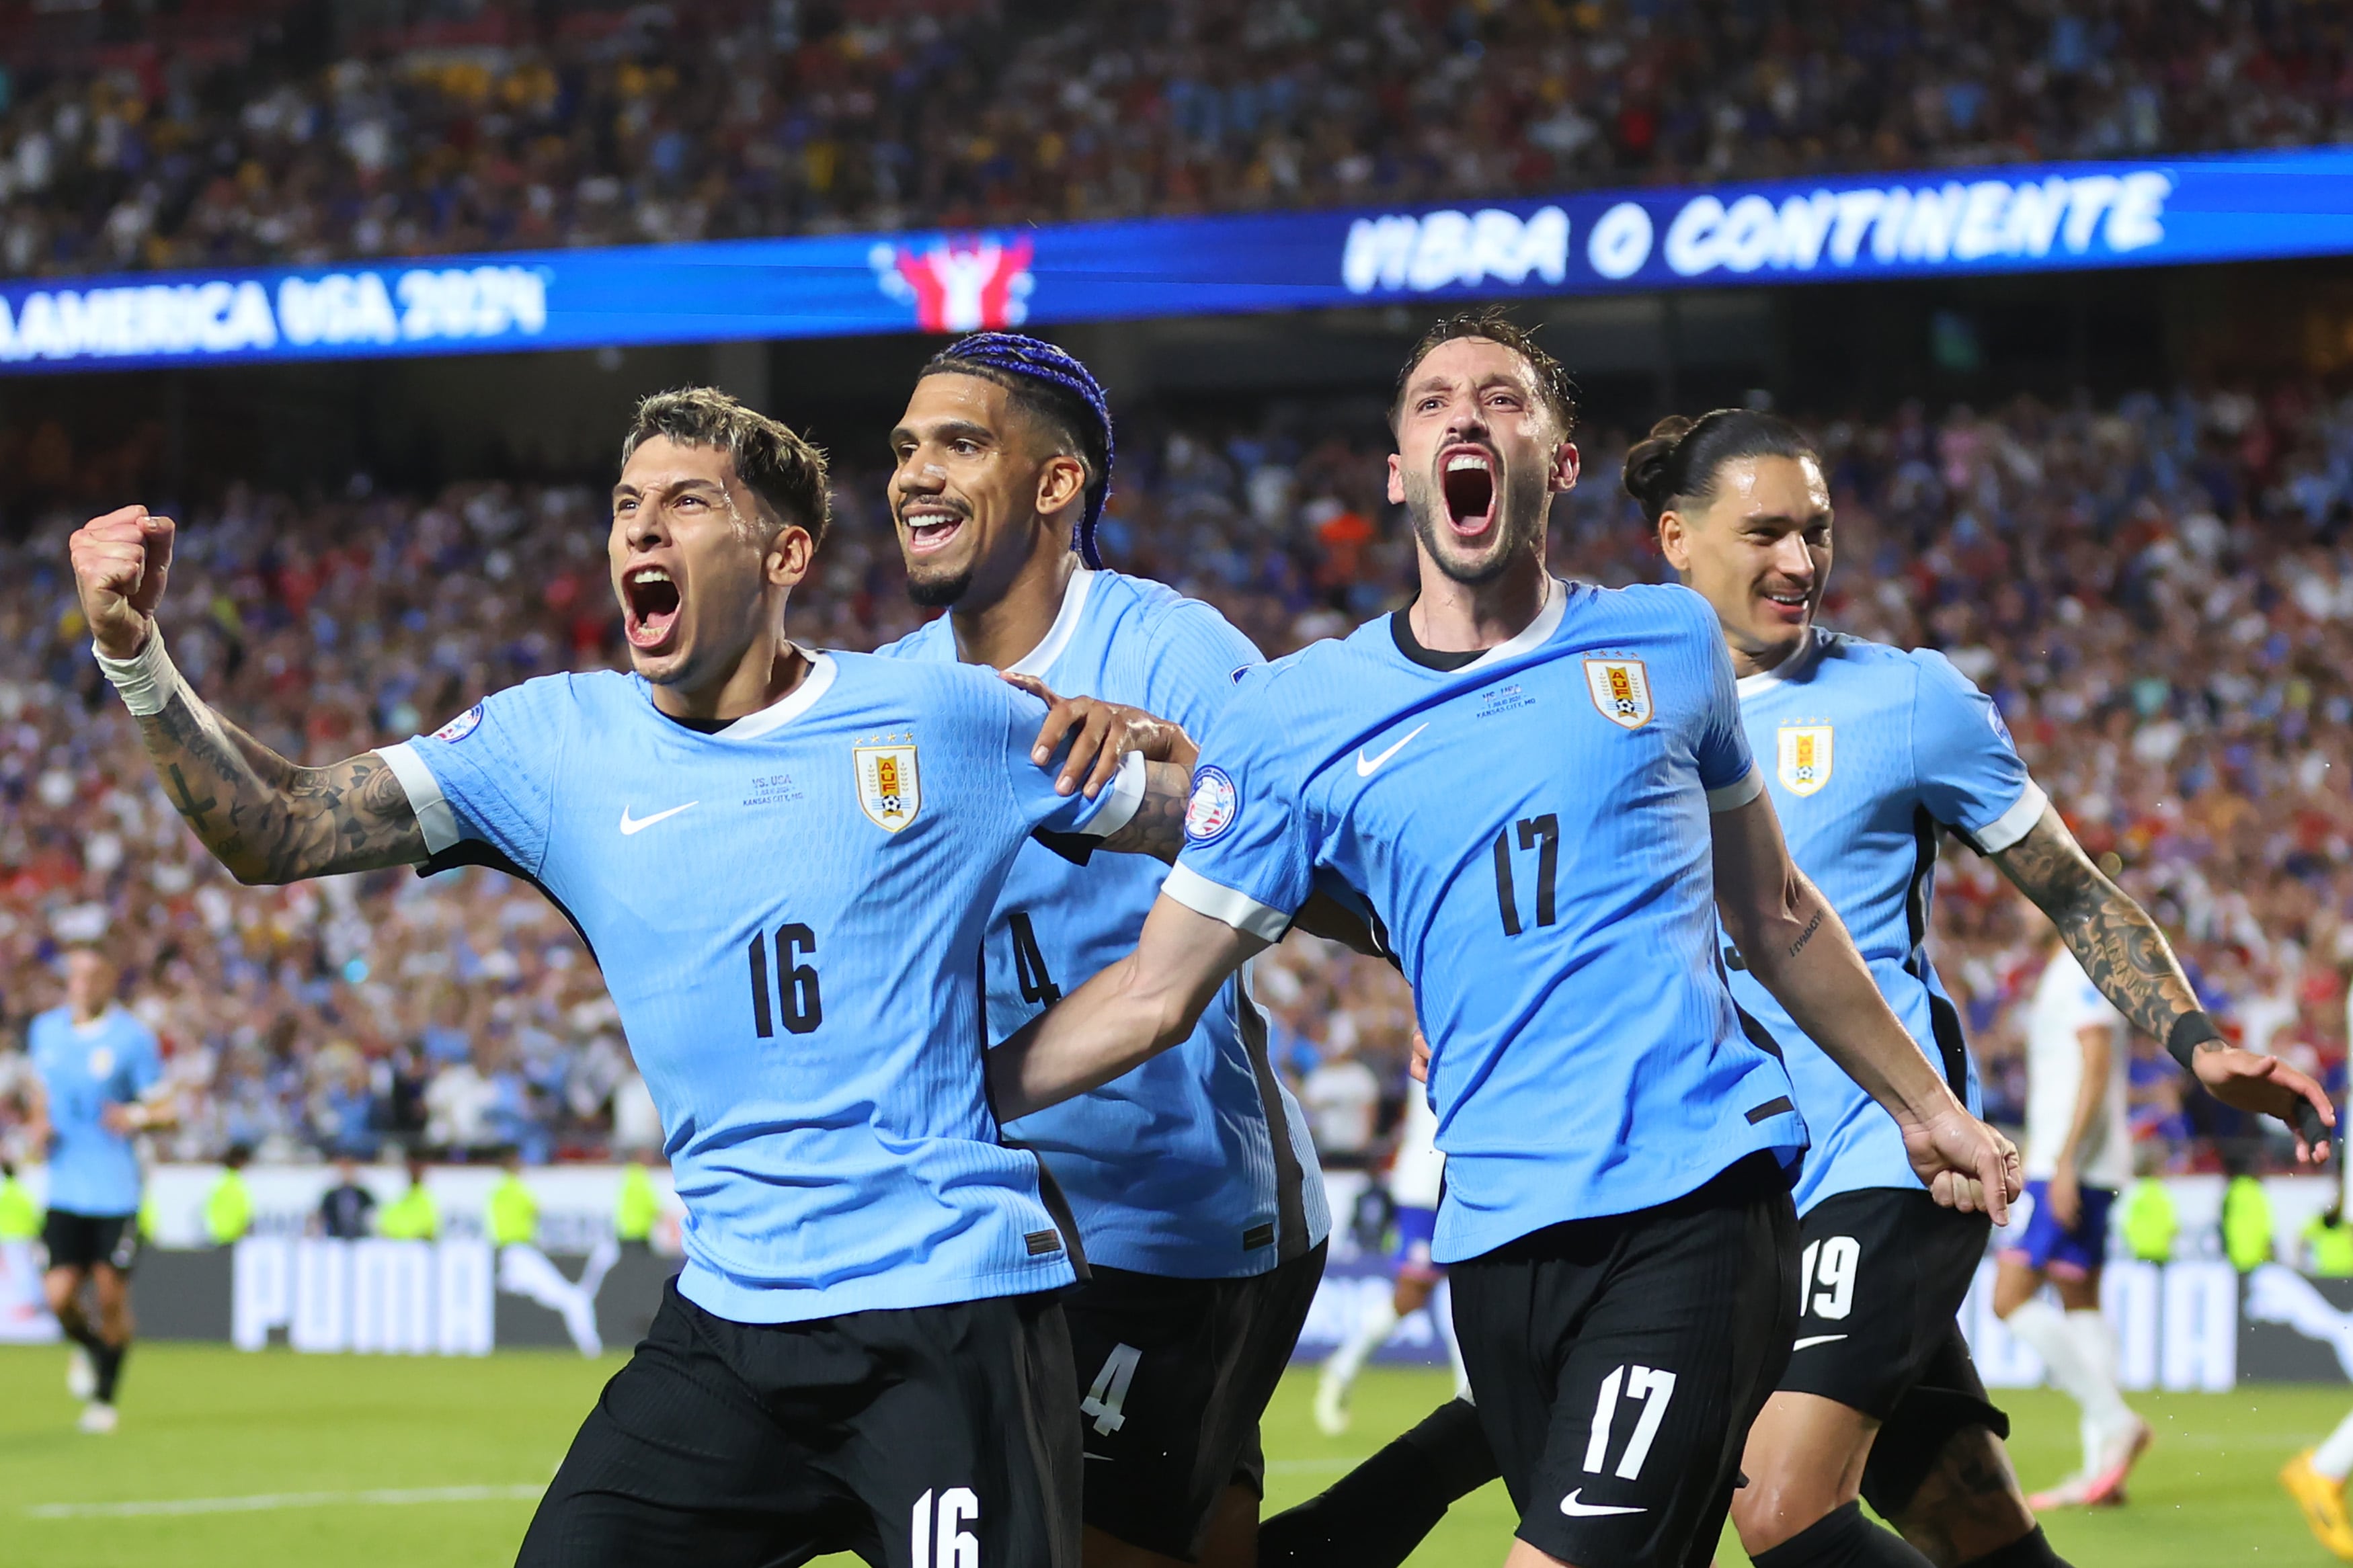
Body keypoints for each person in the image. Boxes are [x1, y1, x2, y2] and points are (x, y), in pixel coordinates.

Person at [68, 384, 1188, 1567]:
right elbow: (277, 828)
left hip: (949, 1313)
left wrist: (1162, 752)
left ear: (784, 551)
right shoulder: (550, 747)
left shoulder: (943, 716)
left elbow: (1215, 819)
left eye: (688, 503)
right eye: (626, 507)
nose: (641, 531)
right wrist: (134, 654)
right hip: (733, 1329)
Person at [985, 308, 2020, 1568]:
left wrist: (1927, 1104)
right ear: (1398, 471)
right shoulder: (1300, 714)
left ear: (1560, 460)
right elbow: (1154, 991)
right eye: (1432, 403)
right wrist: (949, 1094)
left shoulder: (1666, 640)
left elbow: (1778, 911)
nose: (1465, 416)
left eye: (1503, 398)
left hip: (1694, 1204)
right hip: (1495, 1243)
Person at [1640, 406, 2329, 1568]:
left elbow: (2074, 889)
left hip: (1893, 1149)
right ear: (1675, 538)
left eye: (1817, 531)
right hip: (1728, 1179)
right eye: (1766, 532)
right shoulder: (1621, 709)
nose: (1801, 562)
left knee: (1777, 1503)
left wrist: (2200, 1042)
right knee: (1974, 1528)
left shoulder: (1908, 700)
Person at [873, 331, 1329, 1568]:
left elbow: (1317, 856)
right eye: (906, 447)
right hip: (1004, 1215)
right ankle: (1448, 1456)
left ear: (1057, 482)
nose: (916, 471)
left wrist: (1177, 774)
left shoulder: (1170, 648)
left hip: (1178, 1214)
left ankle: (1453, 1456)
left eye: (960, 443)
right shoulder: (889, 689)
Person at [1991, 931, 2147, 1514]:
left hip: (2068, 1164)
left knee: (2008, 1299)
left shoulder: (2081, 968)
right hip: (2081, 1162)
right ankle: (2103, 1468)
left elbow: (2096, 1062)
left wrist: (2063, 1161)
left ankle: (2115, 1421)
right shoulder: (2071, 968)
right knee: (2080, 1300)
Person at [24, 944, 175, 1435]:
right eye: (77, 975)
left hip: (115, 1189)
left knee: (111, 1295)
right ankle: (89, 1348)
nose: (84, 984)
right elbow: (41, 1094)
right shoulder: (45, 1030)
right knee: (59, 1295)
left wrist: (132, 1116)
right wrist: (39, 1124)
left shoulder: (131, 1039)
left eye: (94, 974)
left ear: (111, 979)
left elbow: (166, 1109)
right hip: (65, 1187)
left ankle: (105, 1398)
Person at [1314, 1068, 1465, 1438]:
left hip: (1458, 1178)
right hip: (1427, 1184)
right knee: (1413, 1292)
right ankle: (1341, 1367)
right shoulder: (1442, 1036)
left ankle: (1470, 1398)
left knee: (1467, 1288)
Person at [377, 1151, 440, 1242]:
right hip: (398, 1246)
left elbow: (431, 1229)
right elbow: (386, 1223)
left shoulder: (427, 1200)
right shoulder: (401, 1198)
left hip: (419, 1247)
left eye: (417, 1169)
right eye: (412, 1169)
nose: (414, 1172)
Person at [317, 1154, 376, 1240]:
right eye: (344, 1169)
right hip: (335, 1240)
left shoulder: (364, 1195)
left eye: (350, 1169)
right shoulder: (331, 1196)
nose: (347, 1173)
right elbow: (323, 1218)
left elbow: (373, 1216)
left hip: (362, 1241)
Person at [204, 1145, 254, 1245]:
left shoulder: (225, 1181)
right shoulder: (230, 1183)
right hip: (227, 1236)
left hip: (225, 1235)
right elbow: (242, 1210)